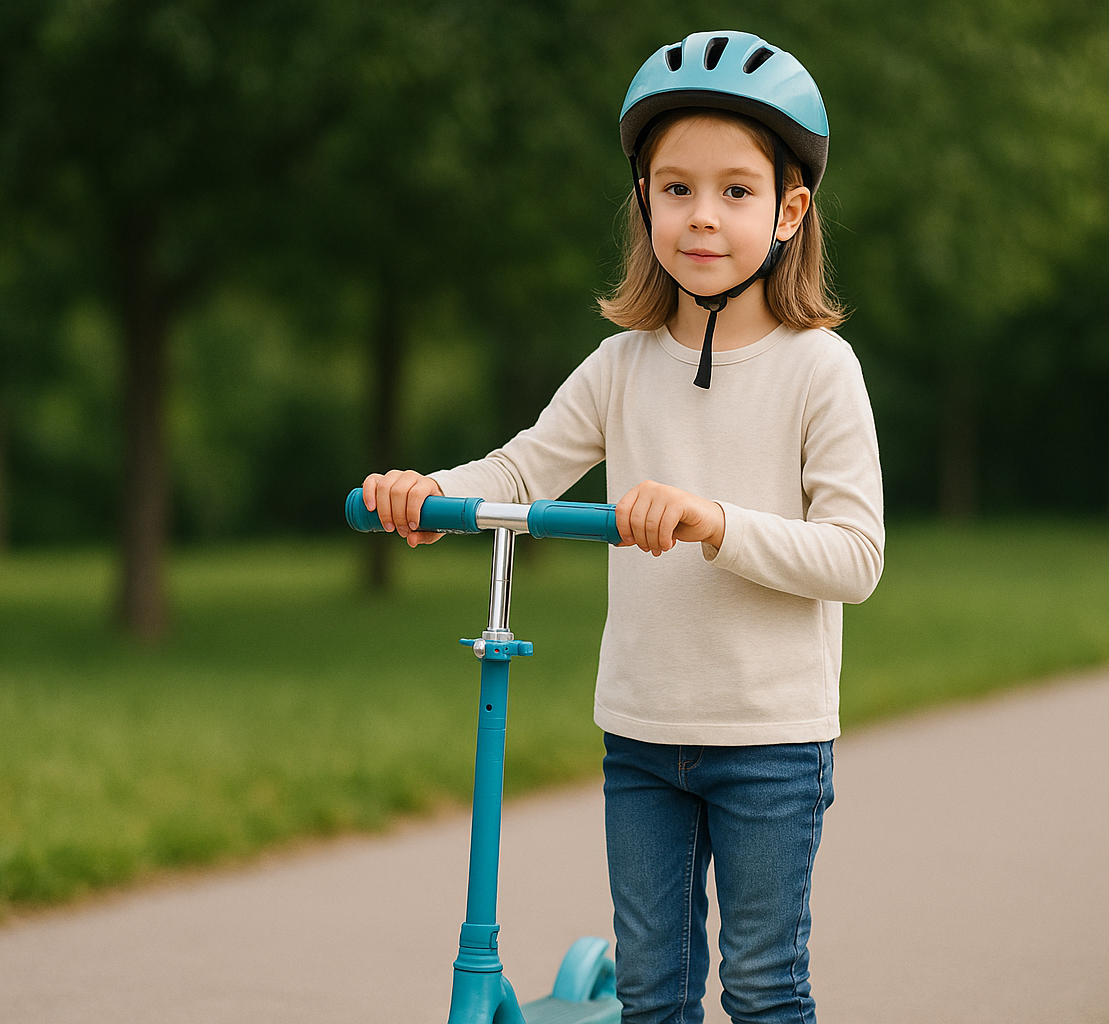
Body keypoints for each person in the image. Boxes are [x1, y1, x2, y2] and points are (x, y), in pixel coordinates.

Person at [361, 29, 884, 1024]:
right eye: (676, 188)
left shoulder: (819, 369)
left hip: (769, 741)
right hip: (642, 733)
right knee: (651, 996)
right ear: (645, 202)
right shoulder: (623, 364)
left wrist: (712, 521)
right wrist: (427, 491)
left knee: (764, 987)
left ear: (789, 211)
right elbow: (521, 468)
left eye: (736, 190)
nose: (702, 214)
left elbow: (856, 559)